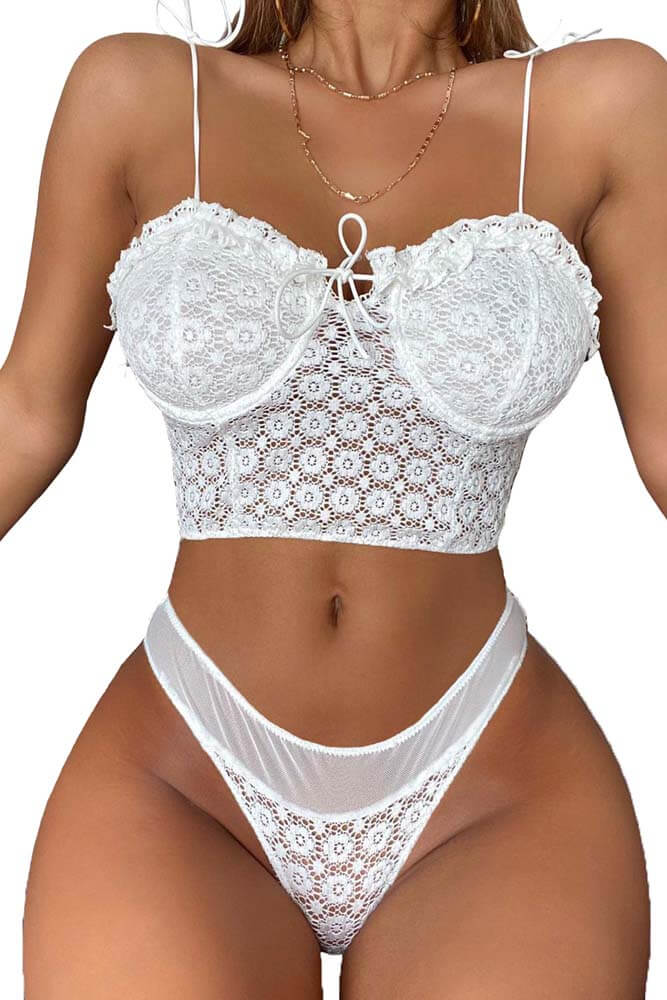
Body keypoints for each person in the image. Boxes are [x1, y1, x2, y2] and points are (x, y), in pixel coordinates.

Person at [4, 0, 663, 994]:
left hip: (494, 780)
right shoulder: (140, 92)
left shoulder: (600, 106)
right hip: (184, 772)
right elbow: (25, 413)